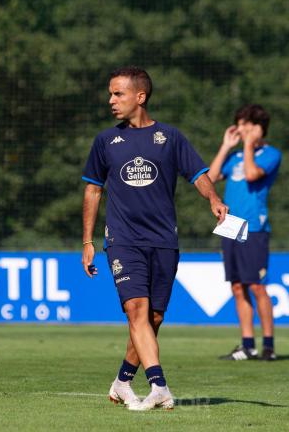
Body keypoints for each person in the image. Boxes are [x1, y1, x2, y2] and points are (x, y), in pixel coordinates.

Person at [81, 66, 228, 410]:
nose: (111, 100)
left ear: (140, 97)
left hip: (163, 240)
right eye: (110, 93)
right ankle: (159, 385)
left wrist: (213, 199)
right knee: (137, 309)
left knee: (153, 318)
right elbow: (92, 190)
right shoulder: (105, 141)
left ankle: (122, 381)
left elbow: (198, 173)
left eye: (118, 93)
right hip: (122, 239)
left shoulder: (170, 138)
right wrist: (87, 241)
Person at [208, 104, 282, 361]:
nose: (242, 130)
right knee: (238, 287)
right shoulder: (235, 157)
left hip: (254, 227)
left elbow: (252, 175)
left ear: (259, 128)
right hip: (230, 226)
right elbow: (211, 177)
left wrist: (249, 145)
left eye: (247, 125)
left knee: (257, 286)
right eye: (240, 125)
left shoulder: (270, 154)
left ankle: (269, 346)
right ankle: (247, 345)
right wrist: (226, 146)